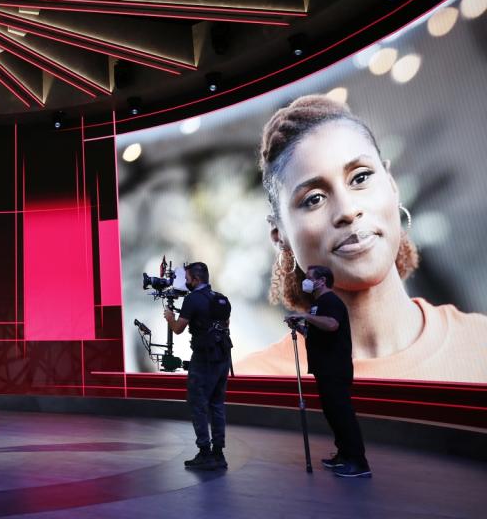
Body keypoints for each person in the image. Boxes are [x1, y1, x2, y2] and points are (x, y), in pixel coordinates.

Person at [237, 95, 487, 382]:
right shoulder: (257, 383)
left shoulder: (479, 345)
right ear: (279, 236)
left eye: (360, 178)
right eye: (314, 199)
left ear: (391, 184)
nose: (348, 210)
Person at [285, 265, 371, 478]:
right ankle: (343, 454)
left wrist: (305, 315)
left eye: (308, 278)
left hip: (335, 368)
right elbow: (318, 334)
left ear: (321, 281)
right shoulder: (318, 304)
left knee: (342, 415)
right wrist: (300, 327)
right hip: (324, 368)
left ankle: (359, 463)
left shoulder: (330, 301)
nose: (305, 282)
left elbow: (332, 324)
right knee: (333, 414)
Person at [165, 261, 232, 470]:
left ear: (195, 279)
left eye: (187, 279)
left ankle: (204, 452)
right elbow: (225, 325)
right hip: (223, 357)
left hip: (204, 359)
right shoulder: (221, 299)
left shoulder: (192, 300)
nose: (186, 283)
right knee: (217, 405)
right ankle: (218, 454)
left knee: (198, 404)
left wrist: (169, 318)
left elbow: (178, 329)